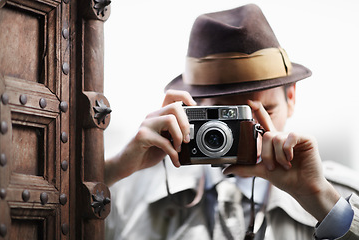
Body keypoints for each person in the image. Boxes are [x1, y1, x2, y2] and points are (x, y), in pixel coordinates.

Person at [105, 4, 359, 240]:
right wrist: (113, 171)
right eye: (223, 117)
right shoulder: (127, 193)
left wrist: (320, 199)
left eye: (263, 112)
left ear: (290, 98)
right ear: (187, 110)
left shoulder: (341, 193)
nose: (246, 134)